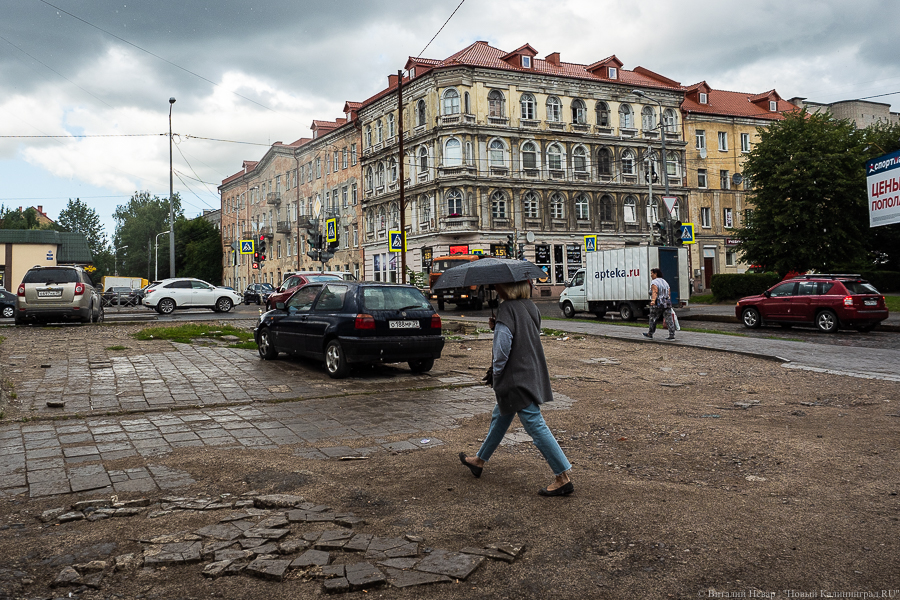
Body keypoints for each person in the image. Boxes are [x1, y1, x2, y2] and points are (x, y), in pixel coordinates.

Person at [458, 279, 574, 496]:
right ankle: (479, 460)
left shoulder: (507, 309)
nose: (495, 287)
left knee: (534, 423)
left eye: (498, 285)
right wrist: (498, 326)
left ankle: (563, 476)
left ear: (508, 288)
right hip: (531, 370)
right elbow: (526, 333)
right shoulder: (530, 306)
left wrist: (497, 373)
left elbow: (502, 350)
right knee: (500, 416)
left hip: (515, 377)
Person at [643, 267, 675, 340]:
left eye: (652, 273)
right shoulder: (665, 282)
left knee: (653, 318)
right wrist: (668, 299)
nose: (651, 275)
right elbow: (669, 291)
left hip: (658, 303)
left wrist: (653, 301)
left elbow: (655, 292)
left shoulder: (654, 282)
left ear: (655, 274)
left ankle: (650, 333)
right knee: (668, 318)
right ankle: (672, 334)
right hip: (666, 302)